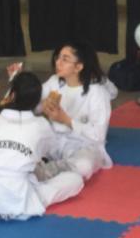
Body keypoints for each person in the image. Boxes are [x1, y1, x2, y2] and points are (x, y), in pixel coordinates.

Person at [0, 71, 84, 220]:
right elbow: (47, 153)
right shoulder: (40, 124)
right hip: (20, 201)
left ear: (12, 95)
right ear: (38, 101)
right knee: (75, 180)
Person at [37, 41, 116, 181]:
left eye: (65, 59)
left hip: (83, 144)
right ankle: (46, 168)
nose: (58, 62)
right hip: (53, 140)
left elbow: (98, 135)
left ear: (78, 67)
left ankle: (47, 170)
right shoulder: (54, 81)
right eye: (58, 57)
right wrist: (42, 105)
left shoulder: (97, 93)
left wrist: (66, 120)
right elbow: (30, 103)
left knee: (84, 166)